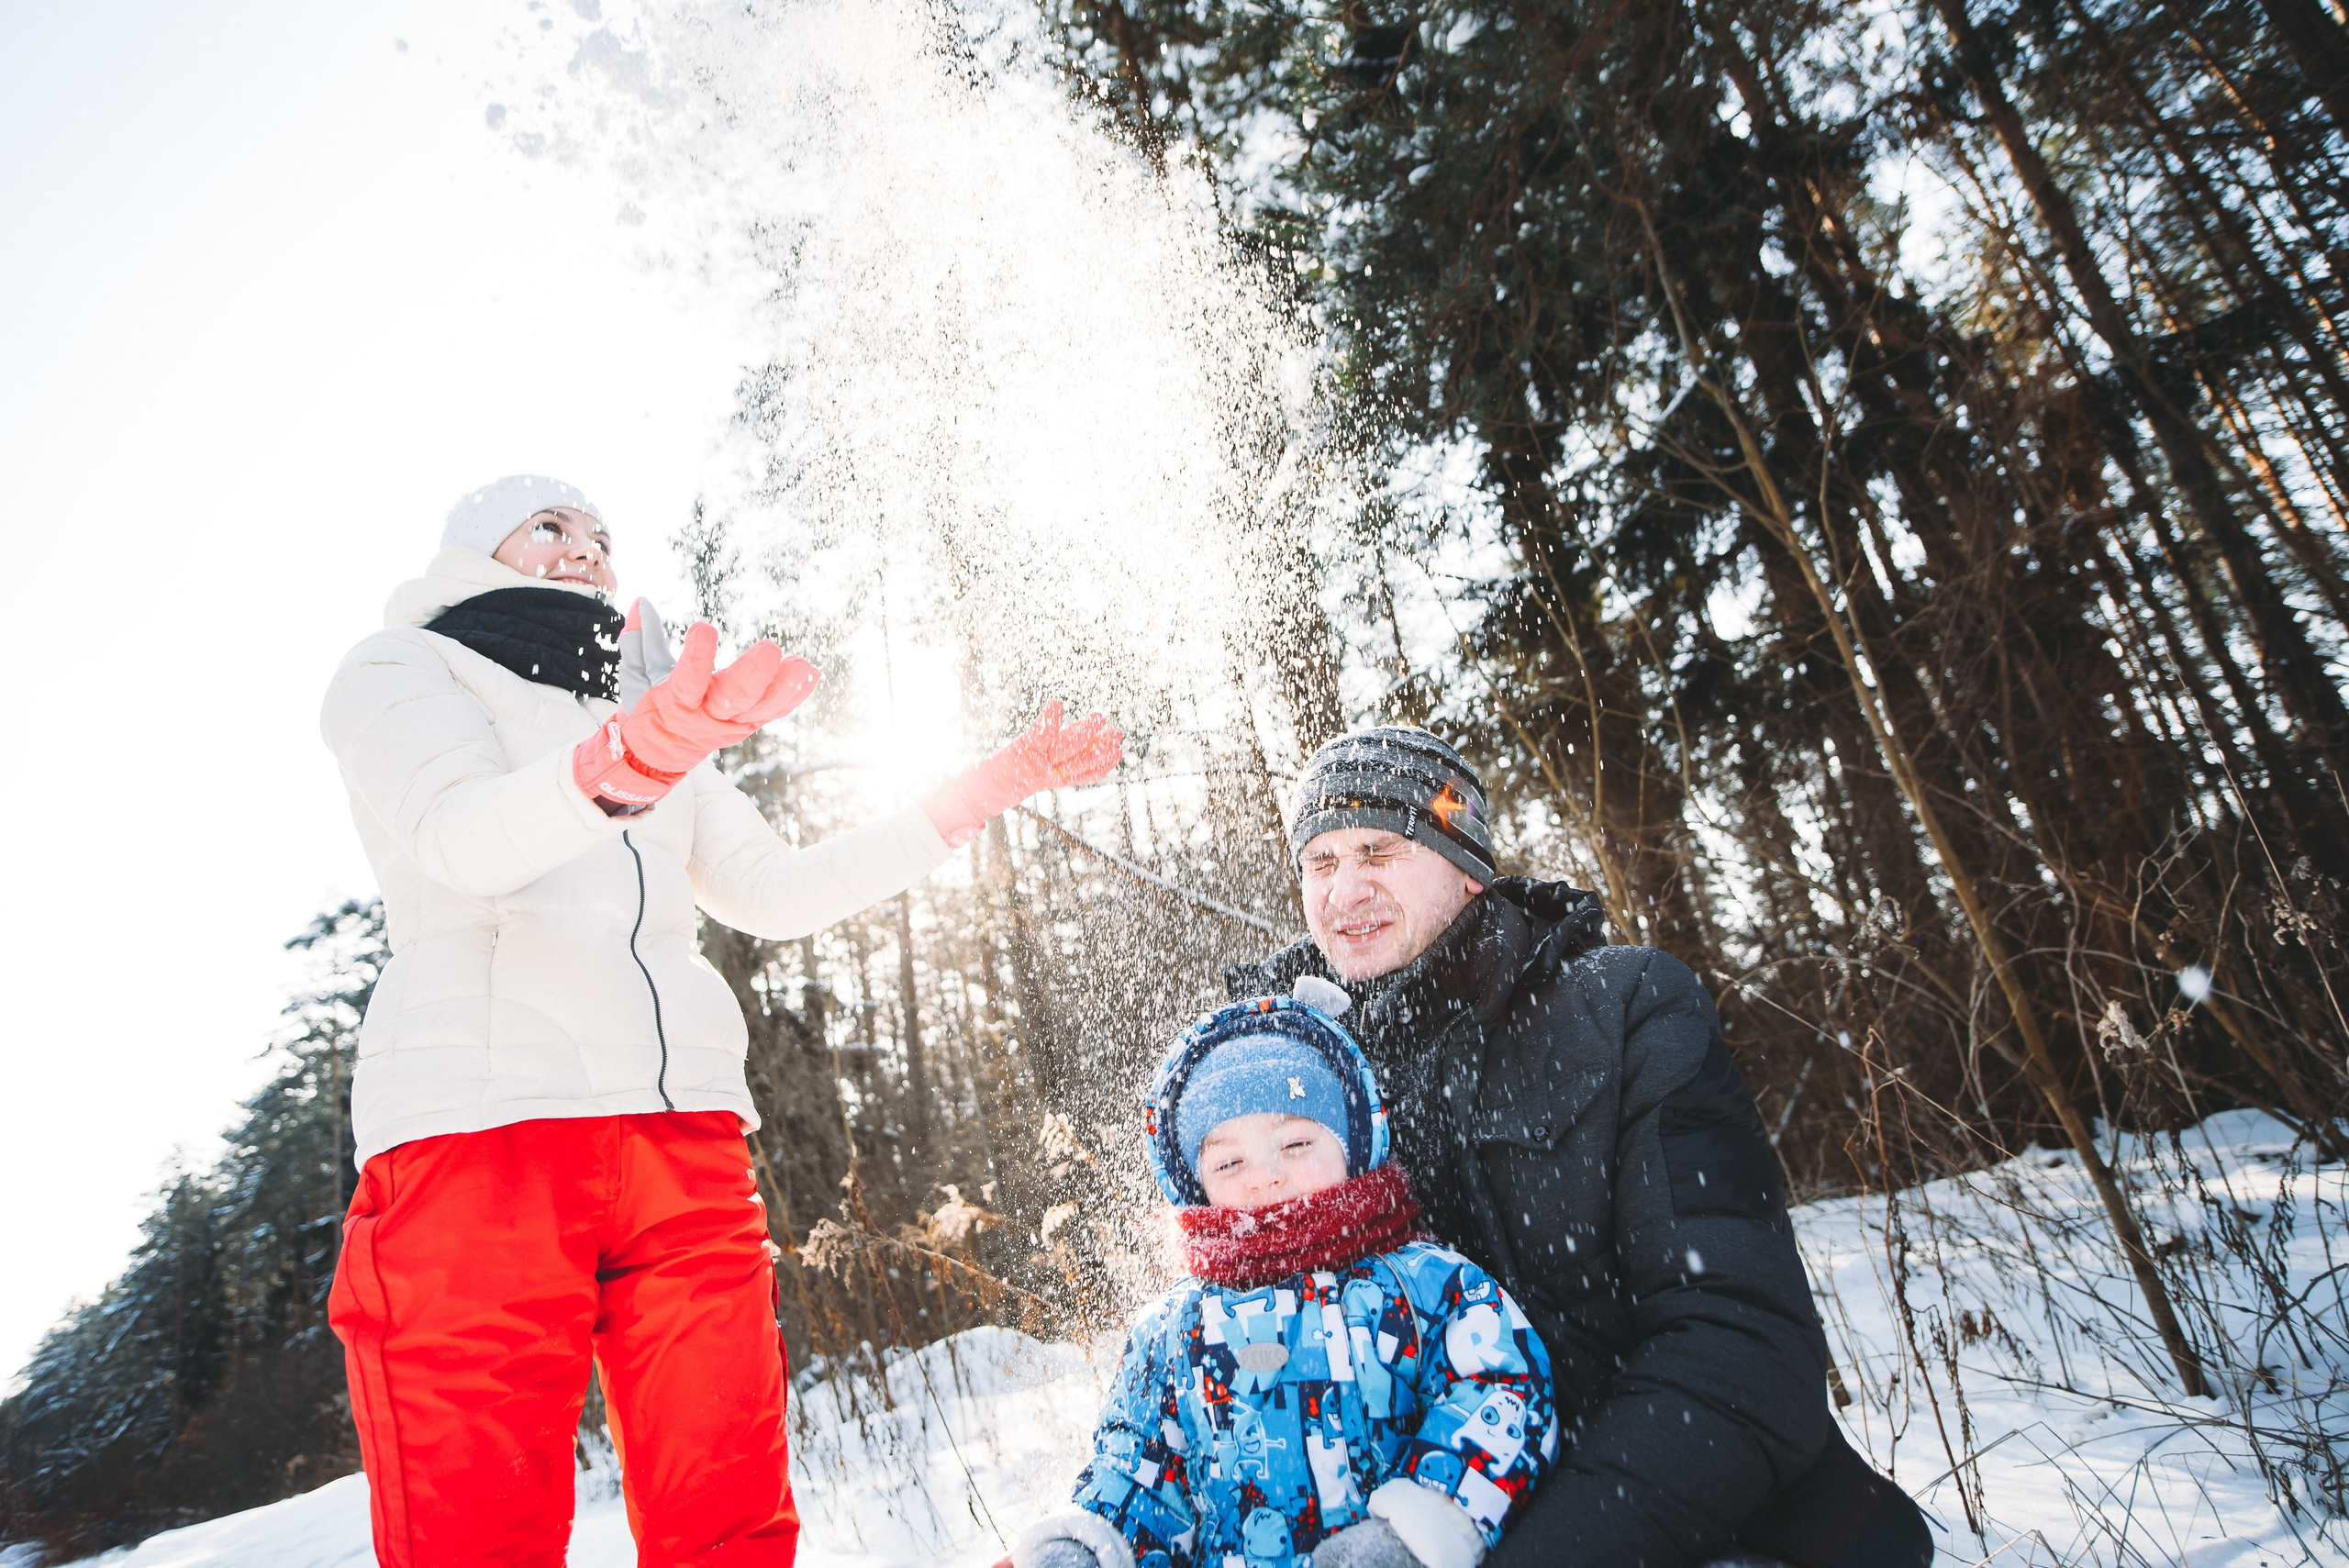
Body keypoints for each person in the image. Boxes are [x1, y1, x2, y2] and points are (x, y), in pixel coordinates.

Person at [319, 474, 1121, 1568]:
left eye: (602, 534)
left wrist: (977, 790)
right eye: (547, 525)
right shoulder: (399, 666)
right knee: (475, 1538)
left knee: (730, 1528)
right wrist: (634, 757)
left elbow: (775, 890)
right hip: (481, 1129)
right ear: (471, 550)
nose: (584, 548)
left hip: (680, 1139)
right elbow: (462, 837)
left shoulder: (645, 712)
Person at [1223, 727, 1932, 1568]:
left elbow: (1739, 1351)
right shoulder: (1279, 1087)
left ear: (1465, 863)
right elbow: (1243, 1362)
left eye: (1379, 848)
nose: (1345, 890)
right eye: (1320, 861)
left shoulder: (1625, 1010)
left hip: (1691, 1529)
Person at [1011, 998, 1556, 1568]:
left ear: (1351, 1143)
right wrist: (1088, 1548)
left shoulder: (1424, 1286)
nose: (1265, 1176)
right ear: (1196, 1184)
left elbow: (1505, 1386)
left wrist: (1418, 1529)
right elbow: (1137, 1471)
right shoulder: (1171, 1333)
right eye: (1228, 1164)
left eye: (1295, 1144)